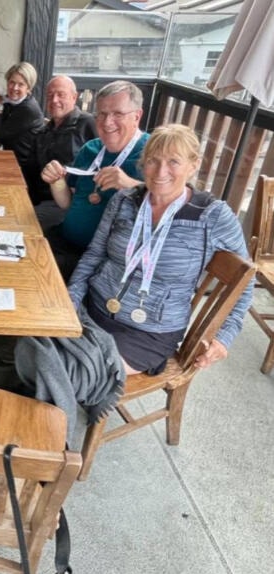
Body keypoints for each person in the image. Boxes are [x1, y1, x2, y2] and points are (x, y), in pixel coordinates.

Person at [15, 124, 254, 440]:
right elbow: (93, 256)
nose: (160, 171)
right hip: (93, 307)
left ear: (194, 165)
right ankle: (39, 426)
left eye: (174, 161)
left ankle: (48, 446)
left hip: (148, 332)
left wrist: (224, 337)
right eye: (153, 160)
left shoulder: (212, 215)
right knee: (27, 341)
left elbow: (245, 282)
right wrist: (71, 300)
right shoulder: (126, 200)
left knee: (60, 366)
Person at [42, 80, 149, 281]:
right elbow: (67, 203)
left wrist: (131, 185)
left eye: (117, 114)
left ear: (137, 115)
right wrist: (56, 181)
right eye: (102, 114)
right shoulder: (91, 148)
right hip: (65, 241)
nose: (107, 122)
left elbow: (172, 206)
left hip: (103, 262)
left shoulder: (152, 154)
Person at [18, 74, 97, 208]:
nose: (54, 100)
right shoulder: (43, 132)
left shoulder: (88, 123)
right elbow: (29, 169)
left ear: (74, 97)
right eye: (50, 95)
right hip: (38, 199)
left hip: (72, 202)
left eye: (61, 94)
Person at [0, 61, 45, 160]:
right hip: (10, 158)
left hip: (24, 167)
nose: (14, 88)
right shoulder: (12, 102)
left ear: (28, 88)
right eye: (12, 82)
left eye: (21, 84)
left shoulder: (28, 109)